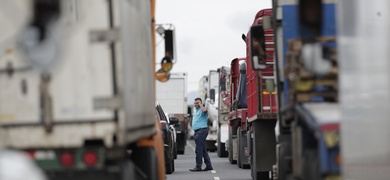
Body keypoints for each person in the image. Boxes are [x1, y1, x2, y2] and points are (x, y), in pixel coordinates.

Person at [189, 98, 213, 172]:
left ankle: (198, 166)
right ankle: (208, 165)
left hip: (201, 131)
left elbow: (205, 110)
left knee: (198, 150)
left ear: (200, 103)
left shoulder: (203, 110)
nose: (196, 104)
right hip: (197, 132)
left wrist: (200, 104)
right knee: (203, 150)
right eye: (195, 103)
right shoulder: (196, 111)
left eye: (197, 103)